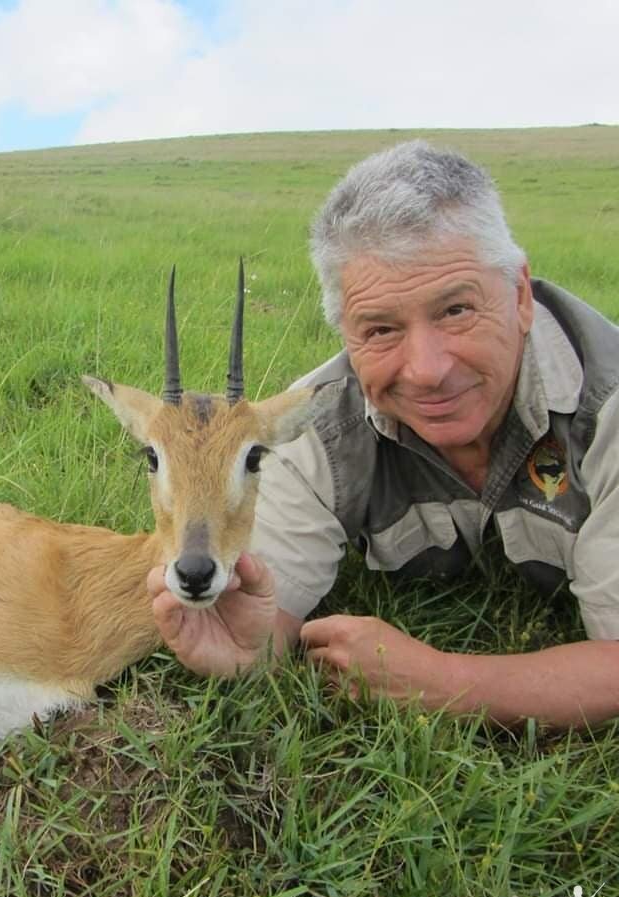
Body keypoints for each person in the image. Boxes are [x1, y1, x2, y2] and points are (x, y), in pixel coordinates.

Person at [148, 140, 619, 728]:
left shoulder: (609, 405)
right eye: (380, 329)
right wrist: (249, 645)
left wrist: (440, 682)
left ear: (520, 295)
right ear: (346, 334)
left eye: (455, 311)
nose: (426, 370)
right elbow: (269, 611)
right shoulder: (311, 433)